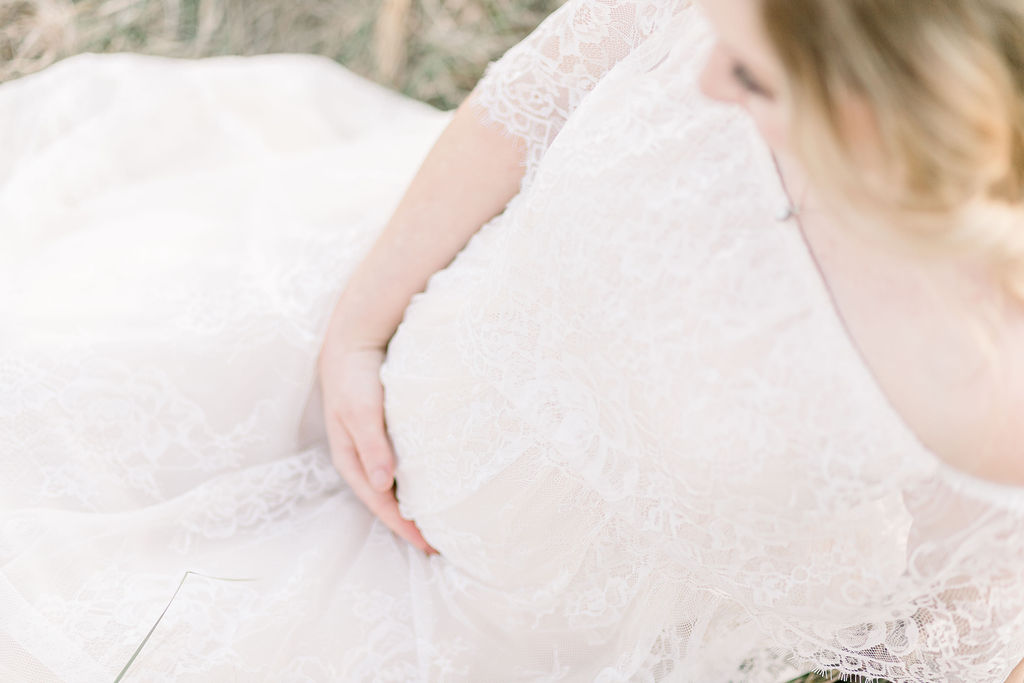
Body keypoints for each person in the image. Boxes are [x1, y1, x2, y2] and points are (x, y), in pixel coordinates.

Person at [1, 0, 1023, 680]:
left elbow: (963, 625)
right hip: (401, 333)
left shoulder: (985, 390)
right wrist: (358, 330)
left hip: (512, 628)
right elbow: (524, 107)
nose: (708, 80)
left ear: (883, 119)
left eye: (753, 77)